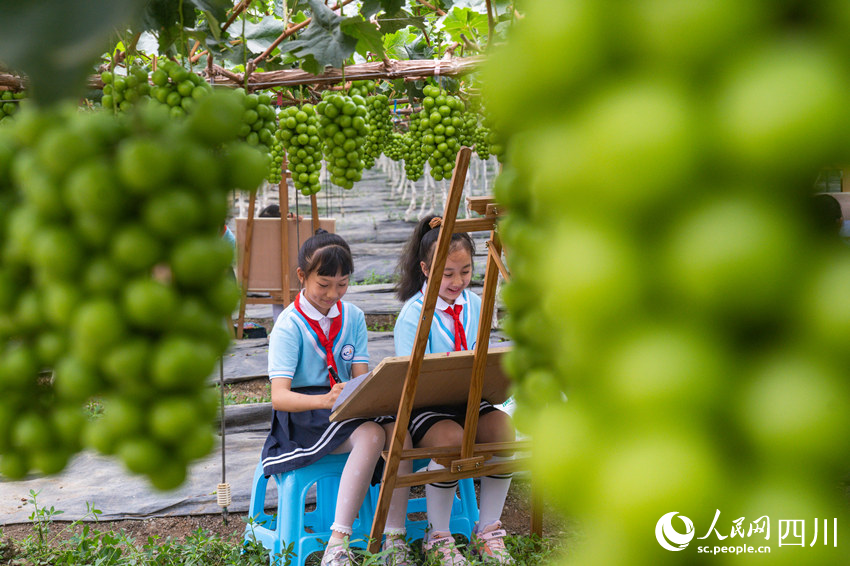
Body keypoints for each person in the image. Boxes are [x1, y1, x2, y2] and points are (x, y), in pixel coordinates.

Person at [262, 229, 415, 566]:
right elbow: (279, 398)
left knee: (400, 433)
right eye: (324, 284)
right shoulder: (289, 325)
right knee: (371, 435)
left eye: (342, 284)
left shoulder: (354, 317)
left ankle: (394, 537)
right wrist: (324, 401)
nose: (332, 294)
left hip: (345, 406)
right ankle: (337, 543)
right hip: (304, 413)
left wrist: (373, 393)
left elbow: (360, 377)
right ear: (302, 276)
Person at [393, 215, 516, 565]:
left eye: (465, 271)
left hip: (470, 399)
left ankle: (488, 530)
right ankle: (438, 536)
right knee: (450, 439)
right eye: (447, 274)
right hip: (427, 407)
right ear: (425, 270)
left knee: (503, 430)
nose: (458, 281)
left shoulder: (476, 305)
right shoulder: (413, 315)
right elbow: (409, 382)